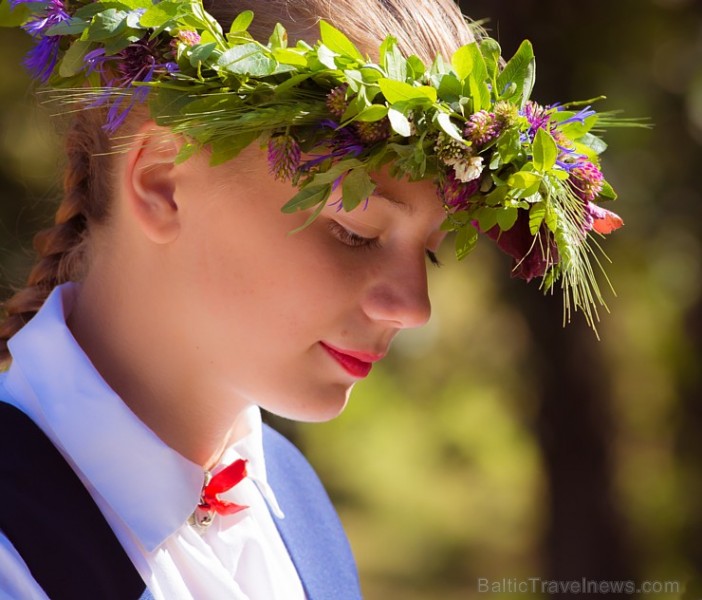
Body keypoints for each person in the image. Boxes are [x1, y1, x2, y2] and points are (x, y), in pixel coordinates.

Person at [0, 0, 630, 597]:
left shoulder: (295, 508)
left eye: (431, 251)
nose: (415, 308)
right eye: (355, 233)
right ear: (162, 181)